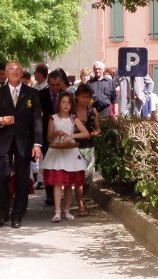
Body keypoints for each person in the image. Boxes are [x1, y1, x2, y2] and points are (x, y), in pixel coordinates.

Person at [0, 61, 43, 229]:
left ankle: (17, 214)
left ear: (22, 72)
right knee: (2, 177)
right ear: (6, 73)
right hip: (4, 141)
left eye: (18, 69)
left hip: (24, 142)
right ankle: (3, 212)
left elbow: (37, 121)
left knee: (22, 179)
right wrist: (0, 121)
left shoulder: (32, 93)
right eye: (11, 69)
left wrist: (37, 144)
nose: (15, 72)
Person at [40, 91, 89, 222]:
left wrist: (72, 136)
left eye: (68, 102)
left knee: (69, 184)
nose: (66, 105)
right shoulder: (53, 118)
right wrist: (56, 133)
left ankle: (66, 210)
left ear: (71, 104)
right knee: (57, 182)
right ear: (59, 103)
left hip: (71, 152)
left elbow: (85, 133)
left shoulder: (74, 118)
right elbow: (49, 138)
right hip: (56, 152)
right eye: (63, 102)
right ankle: (57, 211)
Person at [74, 84, 100, 216]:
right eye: (83, 97)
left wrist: (95, 133)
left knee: (88, 179)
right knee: (79, 178)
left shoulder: (93, 111)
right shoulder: (71, 112)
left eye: (87, 97)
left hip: (89, 147)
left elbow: (98, 128)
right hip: (75, 148)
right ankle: (81, 205)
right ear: (77, 96)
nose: (85, 99)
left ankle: (80, 197)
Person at [39, 70, 64, 200]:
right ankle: (49, 193)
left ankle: (59, 191)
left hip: (63, 134)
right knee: (49, 164)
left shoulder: (65, 96)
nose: (55, 87)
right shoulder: (40, 95)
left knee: (60, 165)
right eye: (52, 85)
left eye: (57, 85)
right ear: (48, 83)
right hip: (46, 135)